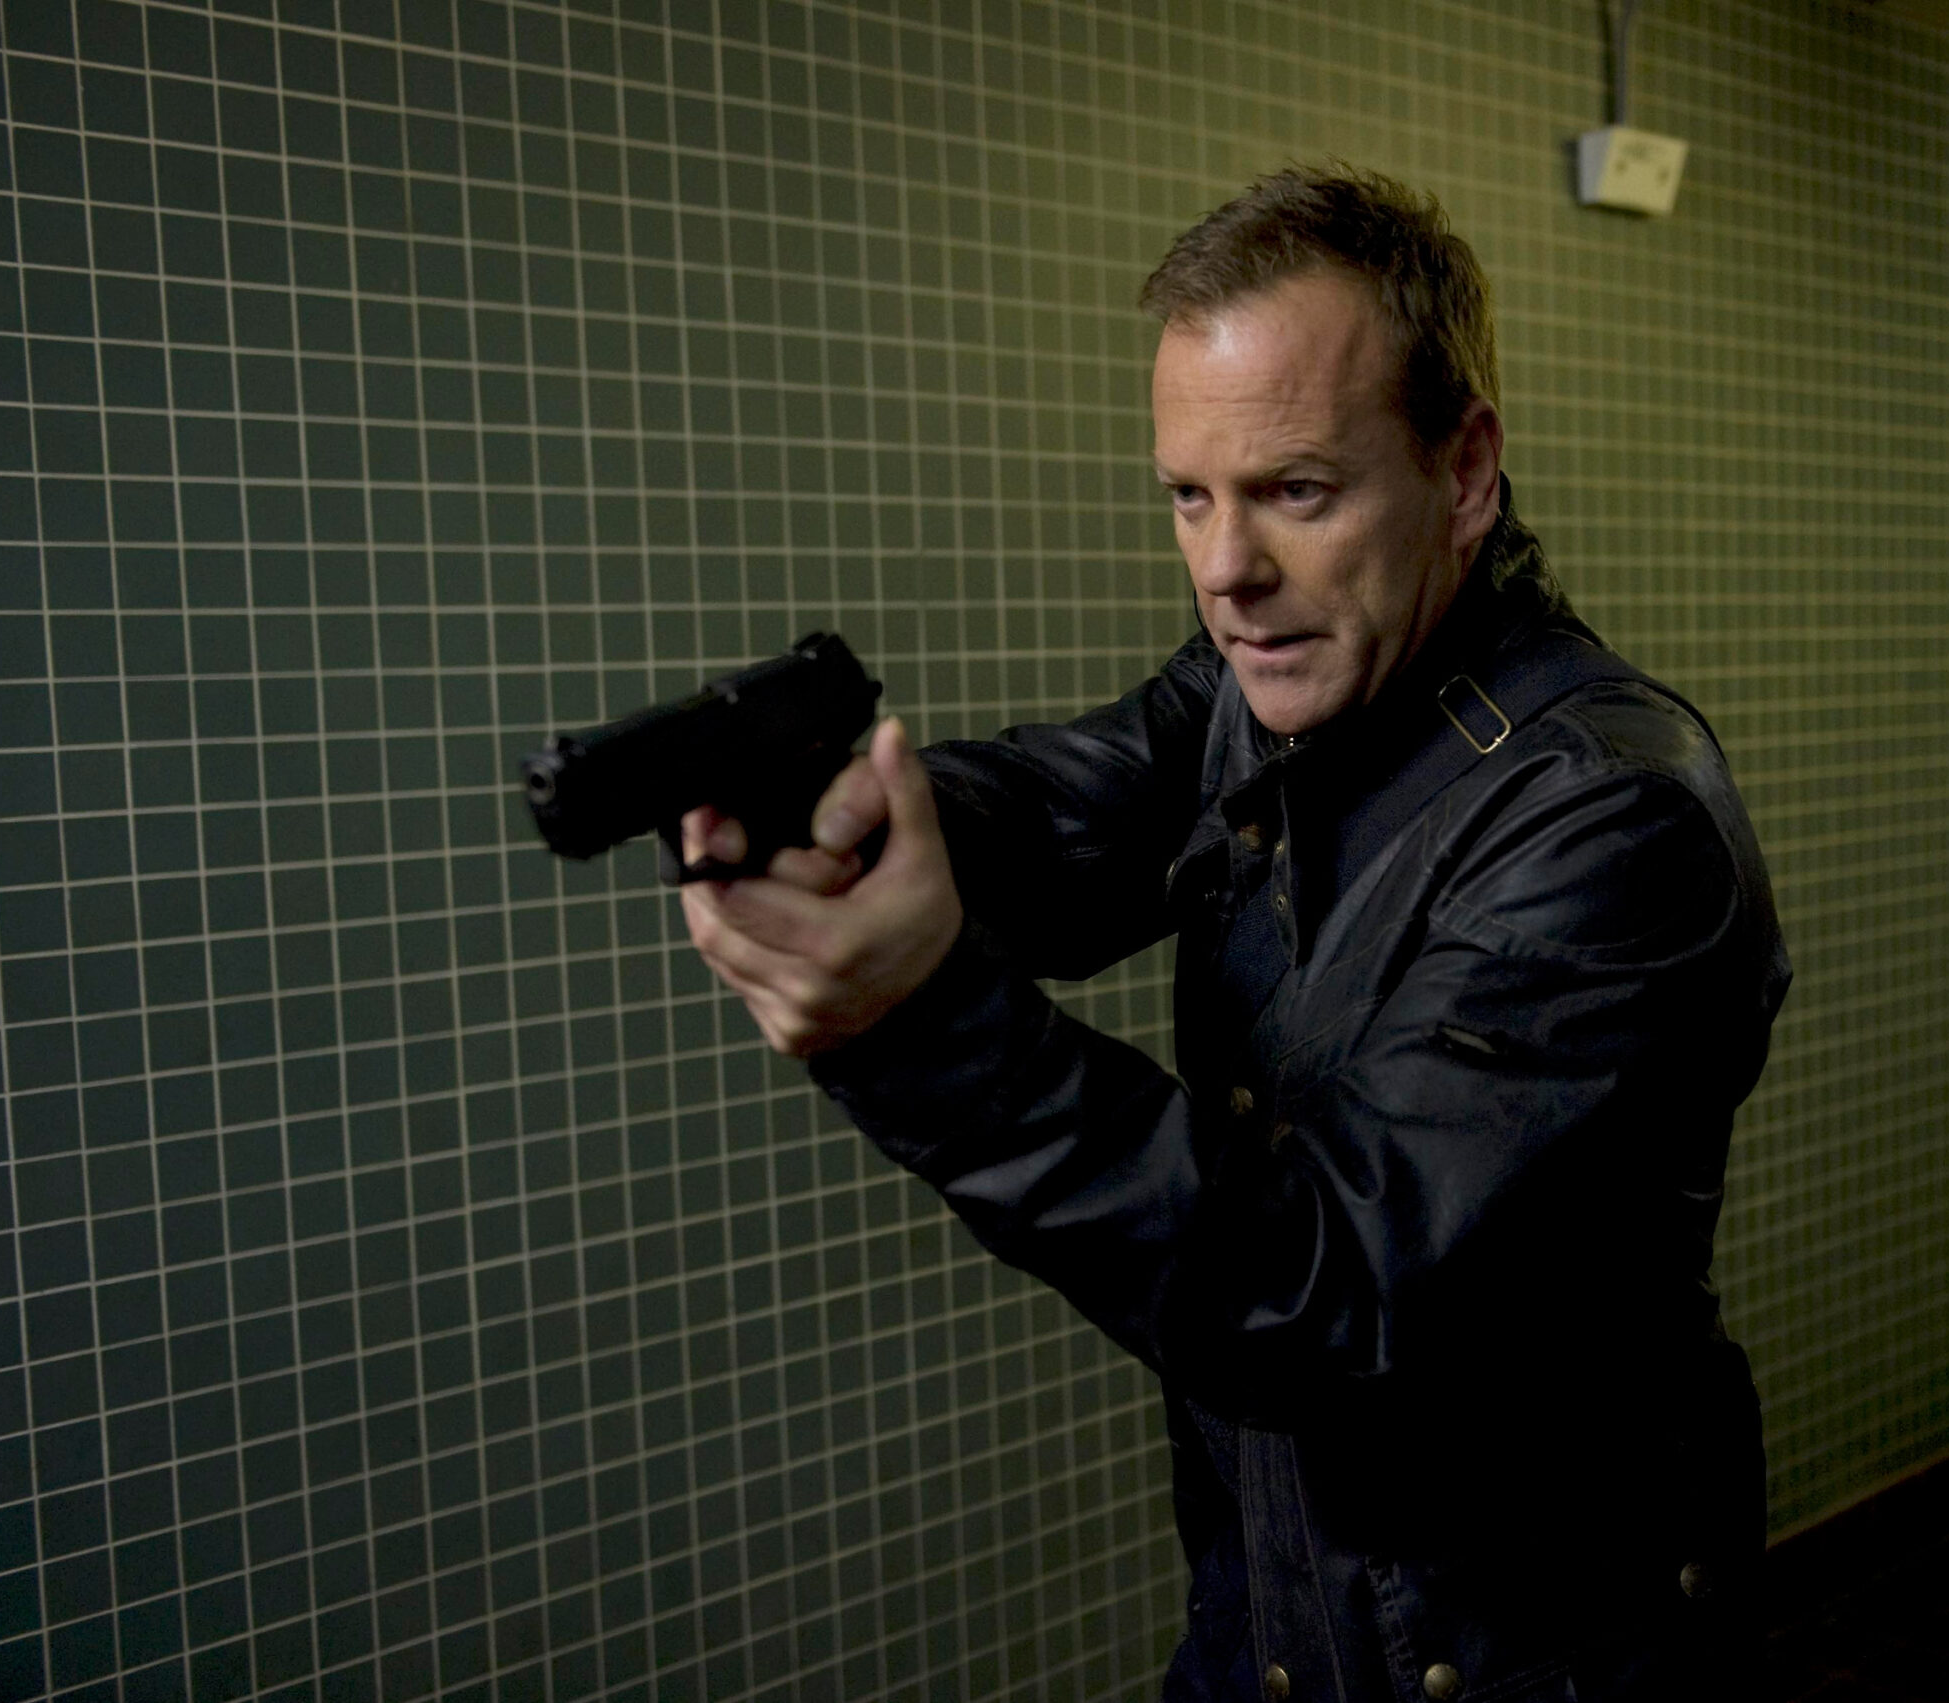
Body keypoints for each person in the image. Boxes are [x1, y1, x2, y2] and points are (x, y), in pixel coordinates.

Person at [680, 167, 1791, 1703]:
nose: (1225, 571)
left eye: (1297, 492)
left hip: (1535, 1660)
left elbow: (1333, 1289)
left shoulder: (1614, 818)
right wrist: (848, 817)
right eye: (1190, 496)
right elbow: (1068, 812)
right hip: (1270, 1620)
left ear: (1465, 470)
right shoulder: (1265, 694)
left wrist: (921, 1028)